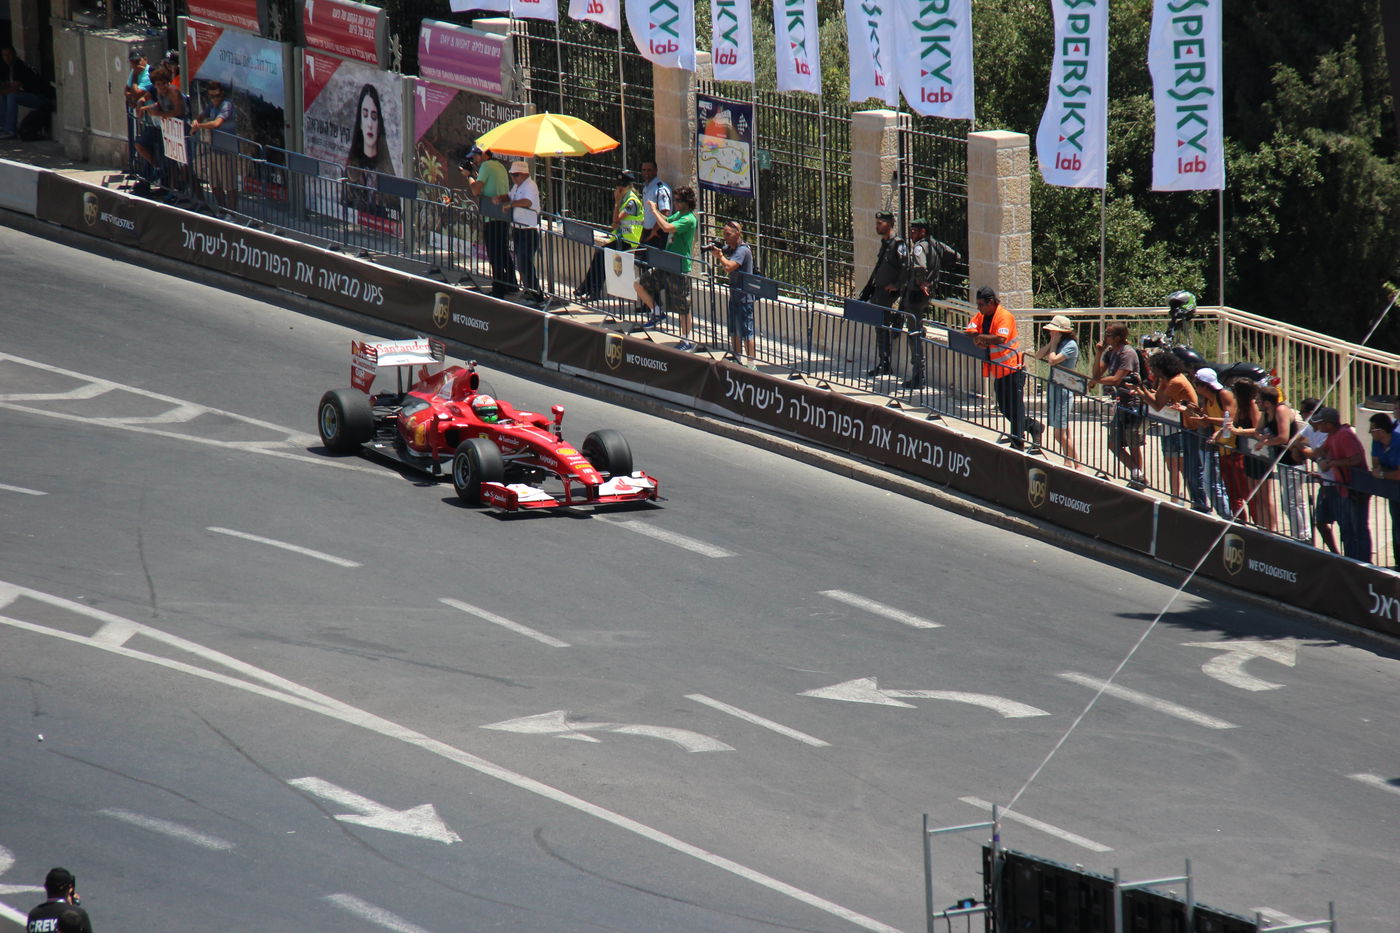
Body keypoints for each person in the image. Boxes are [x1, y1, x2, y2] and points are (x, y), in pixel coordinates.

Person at [1136, 350, 1207, 508]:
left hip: (1191, 428)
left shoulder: (1176, 381)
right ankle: (1193, 502)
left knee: (1191, 471)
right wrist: (1143, 391)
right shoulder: (1165, 380)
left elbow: (1157, 405)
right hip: (1182, 426)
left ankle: (1200, 504)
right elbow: (1157, 401)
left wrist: (1143, 393)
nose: (1152, 371)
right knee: (1184, 469)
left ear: (1162, 367)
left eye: (1154, 368)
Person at [634, 184, 698, 349]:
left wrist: (655, 211)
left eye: (677, 200)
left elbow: (667, 227)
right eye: (674, 200)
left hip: (679, 267)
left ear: (686, 202)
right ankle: (657, 311)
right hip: (666, 263)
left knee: (683, 306)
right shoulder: (678, 214)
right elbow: (665, 221)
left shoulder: (689, 219)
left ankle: (686, 340)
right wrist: (655, 213)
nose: (675, 203)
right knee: (639, 284)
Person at [966, 286, 1027, 449]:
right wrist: (976, 337)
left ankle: (1018, 440)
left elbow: (1000, 338)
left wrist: (979, 338)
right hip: (999, 370)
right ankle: (1033, 428)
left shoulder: (1004, 316)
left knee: (1015, 407)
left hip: (1014, 368)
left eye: (981, 304)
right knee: (1004, 407)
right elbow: (970, 328)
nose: (978, 308)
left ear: (991, 302)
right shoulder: (982, 316)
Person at [898, 218, 957, 388]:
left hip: (916, 294)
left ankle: (918, 375)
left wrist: (922, 281)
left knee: (914, 334)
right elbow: (955, 256)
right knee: (917, 329)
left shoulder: (919, 247)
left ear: (923, 231)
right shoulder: (936, 244)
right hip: (928, 295)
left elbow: (919, 267)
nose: (911, 234)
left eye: (914, 231)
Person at [1086, 322, 1145, 488]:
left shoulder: (1128, 353)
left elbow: (1116, 379)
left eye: (1109, 334)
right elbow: (1097, 373)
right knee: (1114, 444)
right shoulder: (1110, 352)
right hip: (1121, 403)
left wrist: (1095, 381)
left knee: (1134, 444)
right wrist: (1098, 353)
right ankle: (1137, 474)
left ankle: (1137, 478)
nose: (1106, 337)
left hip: (1133, 403)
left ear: (1118, 337)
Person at [1310, 405, 1371, 562]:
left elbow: (1355, 458)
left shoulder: (1344, 435)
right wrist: (1323, 459)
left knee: (1358, 529)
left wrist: (1332, 463)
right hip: (1345, 488)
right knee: (1347, 528)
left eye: (1321, 423)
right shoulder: (1332, 435)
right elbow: (1320, 450)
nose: (1318, 426)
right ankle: (1351, 560)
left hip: (1356, 489)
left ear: (1328, 424)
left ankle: (1363, 562)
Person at [575, 170, 643, 301]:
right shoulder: (626, 198)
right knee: (601, 255)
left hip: (630, 241)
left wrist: (617, 202)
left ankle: (587, 288)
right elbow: (615, 225)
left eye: (621, 185)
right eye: (618, 185)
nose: (619, 188)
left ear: (628, 186)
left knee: (601, 254)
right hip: (622, 239)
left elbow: (616, 220)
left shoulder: (631, 201)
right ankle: (590, 289)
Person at [1190, 367, 1248, 519]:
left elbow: (1230, 420)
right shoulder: (1207, 400)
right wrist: (1189, 411)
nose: (1195, 386)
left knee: (1239, 492)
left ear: (1204, 384)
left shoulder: (1223, 394)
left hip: (1233, 449)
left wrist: (1207, 419)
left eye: (1196, 383)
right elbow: (1204, 424)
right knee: (1229, 490)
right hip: (1221, 448)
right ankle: (1232, 519)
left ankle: (1237, 520)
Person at [1255, 385, 1309, 538]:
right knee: (1291, 501)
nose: (1256, 402)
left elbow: (1283, 437)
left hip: (1293, 461)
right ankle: (1301, 533)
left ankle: (1301, 535)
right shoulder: (1266, 413)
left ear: (1267, 402)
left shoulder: (1281, 410)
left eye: (1258, 400)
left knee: (1291, 502)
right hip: (1281, 460)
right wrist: (1262, 437)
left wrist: (1264, 442)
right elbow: (1258, 430)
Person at [858, 211, 907, 378]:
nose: (877, 226)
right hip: (878, 291)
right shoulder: (885, 243)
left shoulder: (898, 243)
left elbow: (906, 267)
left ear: (889, 223)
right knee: (880, 326)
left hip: (888, 293)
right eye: (877, 222)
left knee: (883, 325)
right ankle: (883, 362)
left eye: (880, 223)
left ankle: (885, 362)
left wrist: (897, 285)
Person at [465, 144, 517, 296]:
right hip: (502, 215)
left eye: (475, 157)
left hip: (492, 215)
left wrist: (469, 176)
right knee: (502, 251)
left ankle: (499, 287)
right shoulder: (498, 166)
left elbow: (475, 190)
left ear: (484, 155)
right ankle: (511, 283)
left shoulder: (486, 166)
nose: (474, 161)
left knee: (494, 253)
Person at [706, 220, 756, 367]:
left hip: (745, 298)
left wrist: (720, 256)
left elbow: (729, 267)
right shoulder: (732, 248)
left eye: (728, 234)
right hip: (734, 295)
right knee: (734, 329)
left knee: (747, 330)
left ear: (737, 234)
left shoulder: (742, 250)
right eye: (724, 234)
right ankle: (737, 357)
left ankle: (751, 363)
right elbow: (724, 250)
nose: (725, 237)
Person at [1032, 314, 1079, 467]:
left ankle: (1074, 464)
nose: (1050, 333)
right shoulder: (1058, 343)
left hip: (1063, 391)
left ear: (1060, 332)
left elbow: (1052, 361)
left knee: (1059, 434)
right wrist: (1052, 343)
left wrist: (1053, 345)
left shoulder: (1070, 345)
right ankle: (1072, 462)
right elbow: (1038, 356)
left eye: (1053, 331)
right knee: (1065, 431)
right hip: (1054, 389)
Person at [344, 83, 397, 217]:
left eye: (374, 117)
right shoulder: (352, 167)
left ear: (379, 123)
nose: (369, 124)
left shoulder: (387, 169)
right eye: (365, 115)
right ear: (360, 121)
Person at [1229, 378, 1276, 530]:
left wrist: (1240, 431)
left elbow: (1257, 430)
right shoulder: (1241, 407)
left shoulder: (1252, 407)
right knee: (1254, 495)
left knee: (1264, 496)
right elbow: (1235, 423)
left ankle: (1270, 528)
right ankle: (1261, 526)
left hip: (1260, 454)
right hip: (1249, 453)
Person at [1295, 397, 1340, 554]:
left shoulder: (1328, 434)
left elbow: (1317, 455)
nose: (1300, 414)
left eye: (1301, 412)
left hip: (1337, 484)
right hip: (1325, 483)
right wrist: (1298, 448)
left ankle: (1349, 558)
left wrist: (1303, 450)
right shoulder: (1310, 428)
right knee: (1320, 522)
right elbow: (1295, 441)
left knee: (1343, 523)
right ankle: (1334, 552)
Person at [189, 80, 236, 210]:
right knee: (215, 183)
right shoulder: (212, 105)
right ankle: (222, 209)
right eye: (212, 96)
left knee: (229, 185)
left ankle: (232, 214)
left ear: (222, 94)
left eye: (217, 96)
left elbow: (216, 124)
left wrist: (199, 126)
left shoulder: (227, 105)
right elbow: (201, 115)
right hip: (213, 149)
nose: (215, 99)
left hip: (226, 150)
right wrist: (195, 121)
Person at [134, 65, 183, 187]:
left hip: (179, 131)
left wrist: (159, 114)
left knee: (183, 165)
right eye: (159, 84)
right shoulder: (158, 92)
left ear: (168, 83)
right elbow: (156, 104)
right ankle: (171, 187)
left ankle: (182, 189)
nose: (162, 87)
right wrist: (142, 107)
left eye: (164, 83)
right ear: (155, 85)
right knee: (169, 161)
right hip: (167, 130)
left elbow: (179, 111)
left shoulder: (173, 92)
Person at [502, 160, 541, 300]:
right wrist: (500, 199)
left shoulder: (530, 186)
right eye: (512, 175)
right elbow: (510, 196)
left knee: (525, 262)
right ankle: (529, 289)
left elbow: (527, 202)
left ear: (524, 174)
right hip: (518, 229)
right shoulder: (518, 185)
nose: (513, 178)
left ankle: (536, 294)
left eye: (516, 175)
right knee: (522, 263)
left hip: (528, 230)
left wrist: (511, 204)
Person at [0, 45, 54, 140]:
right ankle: (4, 126)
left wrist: (4, 90)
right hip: (31, 95)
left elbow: (14, 88)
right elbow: (8, 85)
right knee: (5, 96)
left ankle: (10, 130)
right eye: (4, 55)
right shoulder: (9, 67)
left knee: (11, 96)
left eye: (9, 55)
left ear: (14, 54)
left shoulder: (19, 66)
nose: (6, 58)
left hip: (42, 98)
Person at [1367, 412, 1400, 568]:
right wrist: (1384, 473)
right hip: (1394, 493)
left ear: (1380, 430)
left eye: (1372, 429)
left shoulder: (1398, 442)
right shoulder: (1377, 442)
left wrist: (1382, 474)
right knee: (1396, 528)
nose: (1369, 432)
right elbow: (1375, 464)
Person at [26, 867, 91, 933]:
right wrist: (72, 908)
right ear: (69, 889)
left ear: (46, 887)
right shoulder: (78, 914)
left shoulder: (34, 915)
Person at [639, 156, 673, 251]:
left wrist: (654, 231)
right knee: (639, 260)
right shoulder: (646, 187)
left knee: (652, 263)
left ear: (656, 170)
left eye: (649, 170)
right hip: (647, 230)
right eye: (644, 170)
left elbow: (665, 212)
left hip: (657, 232)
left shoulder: (660, 189)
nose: (646, 173)